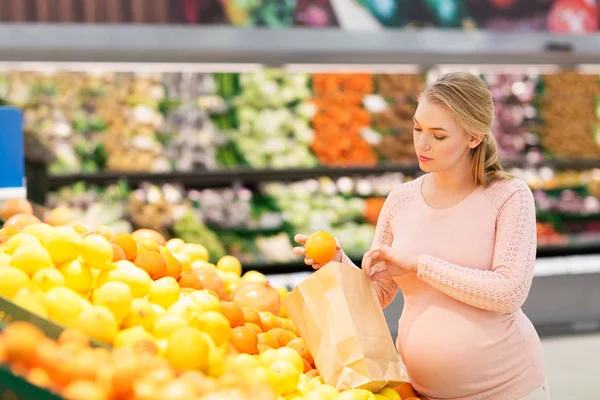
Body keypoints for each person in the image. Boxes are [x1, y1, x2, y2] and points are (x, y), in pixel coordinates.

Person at [294, 72, 548, 400]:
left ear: (473, 137)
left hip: (508, 390)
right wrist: (339, 264)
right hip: (423, 392)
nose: (421, 144)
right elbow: (379, 294)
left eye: (438, 135)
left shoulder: (509, 196)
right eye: (417, 128)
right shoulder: (401, 200)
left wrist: (418, 265)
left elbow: (509, 292)